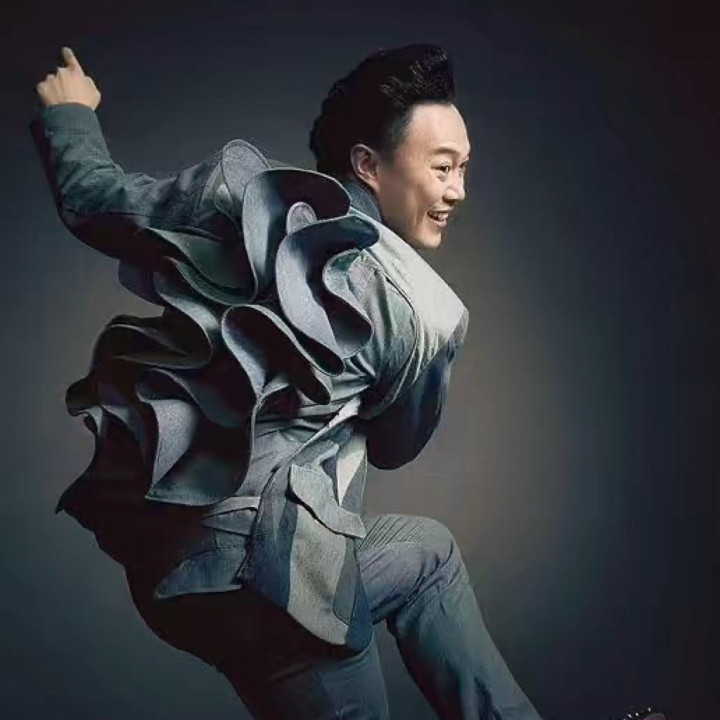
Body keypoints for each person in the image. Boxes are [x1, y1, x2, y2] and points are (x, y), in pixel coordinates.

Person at [30, 44, 665, 720]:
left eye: (463, 169)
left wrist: (72, 113)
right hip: (274, 582)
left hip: (173, 567)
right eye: (442, 167)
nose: (457, 190)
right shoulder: (423, 312)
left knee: (426, 554)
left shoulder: (247, 203)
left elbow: (92, 200)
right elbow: (394, 445)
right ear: (367, 163)